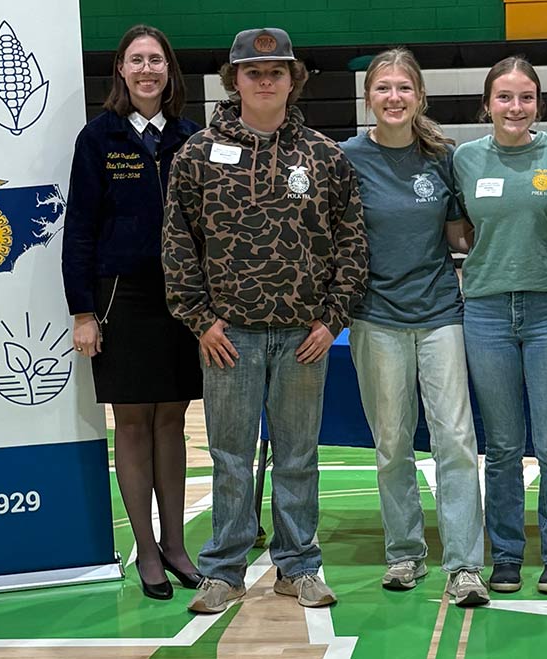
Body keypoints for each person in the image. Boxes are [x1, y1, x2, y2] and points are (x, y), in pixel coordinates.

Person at [162, 27, 368, 614]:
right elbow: (178, 244)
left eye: (277, 71)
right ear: (234, 80)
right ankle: (223, 571)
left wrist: (333, 321)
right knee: (230, 456)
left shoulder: (325, 156)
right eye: (253, 72)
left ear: (293, 80)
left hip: (305, 335)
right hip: (229, 337)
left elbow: (352, 244)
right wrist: (200, 320)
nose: (265, 80)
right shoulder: (197, 155)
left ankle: (298, 566)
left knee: (299, 455)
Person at [340, 48, 488, 607]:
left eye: (404, 88)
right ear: (368, 97)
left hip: (439, 315)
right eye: (383, 89)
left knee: (454, 440)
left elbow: (458, 236)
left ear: (419, 96)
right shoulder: (346, 158)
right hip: (375, 318)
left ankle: (464, 566)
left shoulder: (442, 158)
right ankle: (404, 553)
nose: (394, 98)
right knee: (392, 444)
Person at [61, 24, 202, 601]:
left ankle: (176, 544)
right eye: (136, 60)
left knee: (173, 420)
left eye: (157, 60)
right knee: (133, 422)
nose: (147, 70)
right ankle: (145, 549)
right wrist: (82, 312)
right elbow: (80, 231)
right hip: (122, 300)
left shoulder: (194, 138)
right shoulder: (98, 139)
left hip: (185, 298)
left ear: (170, 70)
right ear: (120, 70)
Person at [452, 56, 547, 595]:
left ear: (538, 105)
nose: (515, 107)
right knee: (502, 445)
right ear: (487, 105)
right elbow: (457, 231)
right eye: (504, 97)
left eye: (525, 97)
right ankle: (505, 553)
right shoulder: (463, 159)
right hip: (484, 312)